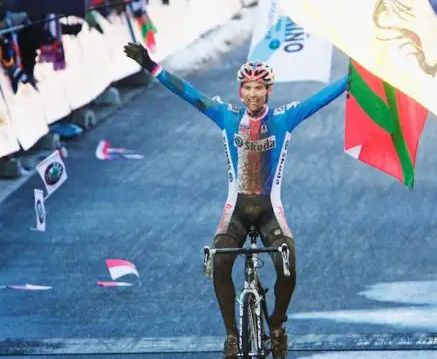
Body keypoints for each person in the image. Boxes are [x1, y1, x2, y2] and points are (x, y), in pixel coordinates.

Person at [124, 42, 349, 359]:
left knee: (288, 263)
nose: (254, 94)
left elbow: (324, 97)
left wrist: (358, 75)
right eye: (248, 88)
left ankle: (278, 324)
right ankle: (232, 336)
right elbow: (188, 93)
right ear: (241, 92)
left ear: (268, 91)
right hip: (237, 211)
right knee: (219, 263)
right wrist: (151, 65)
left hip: (270, 210)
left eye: (260, 87)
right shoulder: (226, 117)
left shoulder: (286, 119)